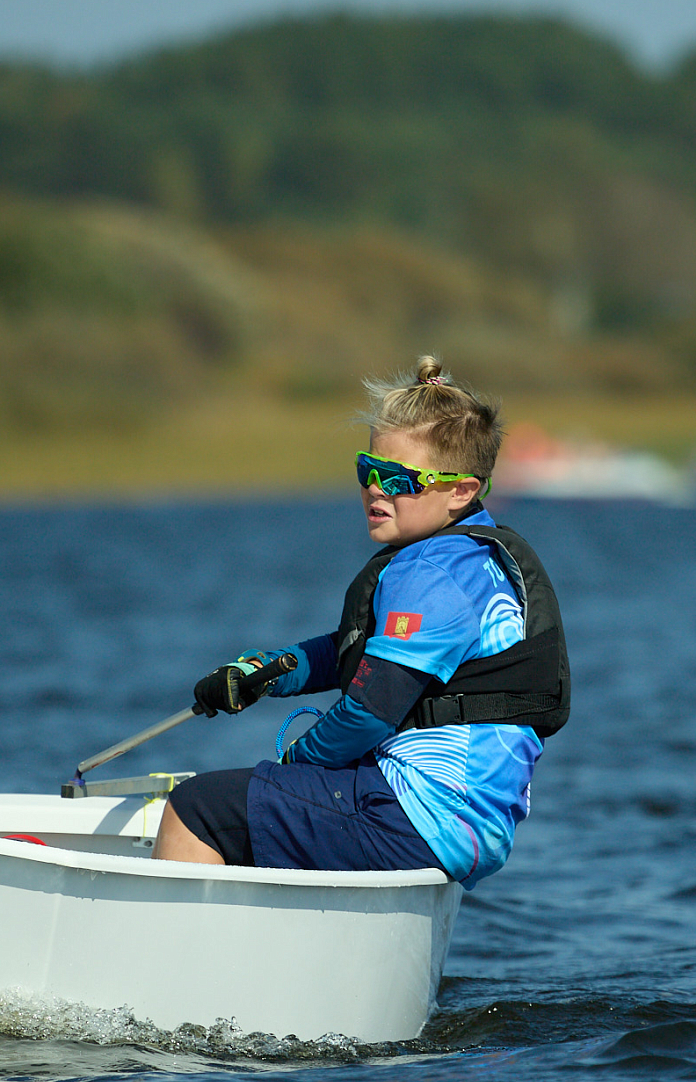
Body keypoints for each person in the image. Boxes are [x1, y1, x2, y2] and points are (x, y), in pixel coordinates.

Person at [152, 356, 569, 888]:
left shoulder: (431, 573)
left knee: (200, 806)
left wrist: (297, 762)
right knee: (270, 798)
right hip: (468, 825)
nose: (377, 489)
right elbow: (356, 650)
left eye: (398, 478)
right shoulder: (471, 556)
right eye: (368, 471)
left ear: (461, 489)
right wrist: (265, 673)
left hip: (417, 818)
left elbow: (372, 710)